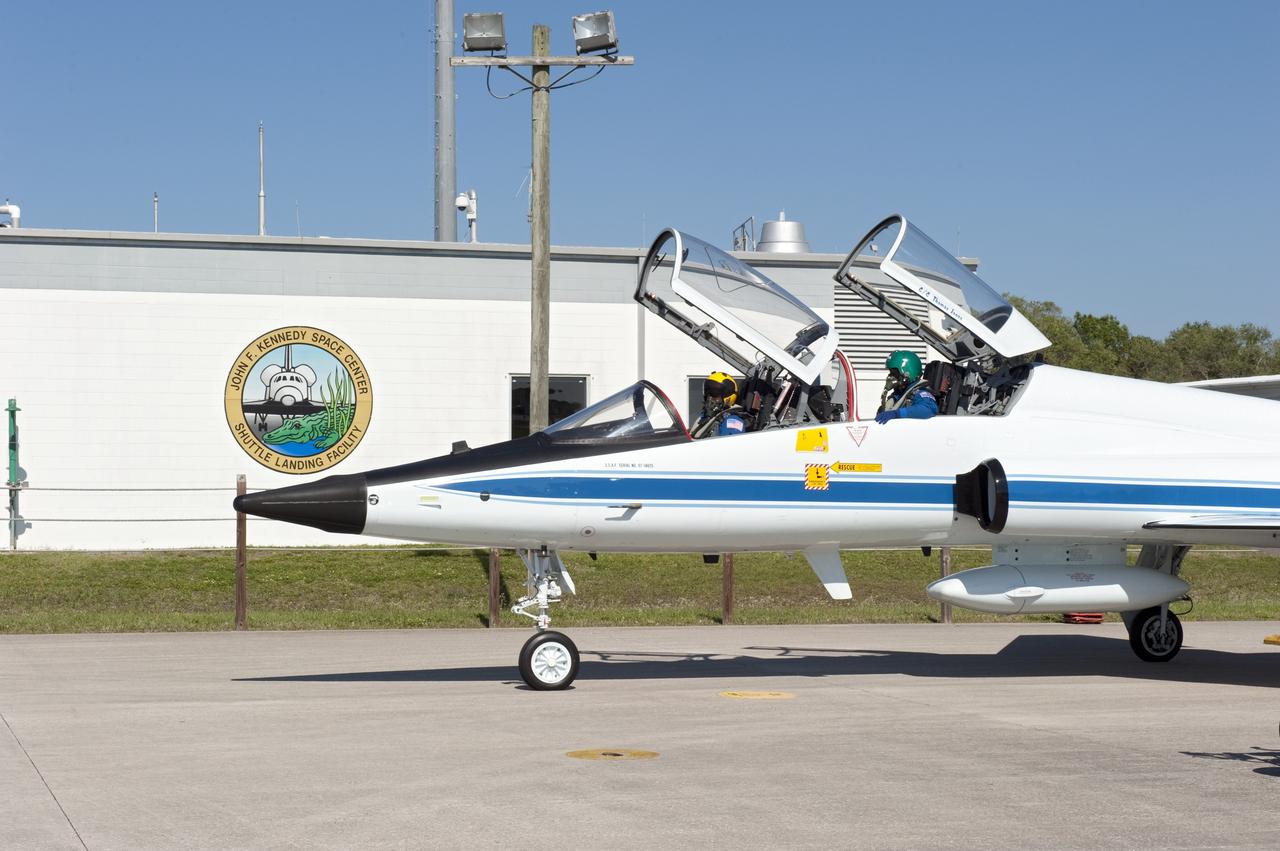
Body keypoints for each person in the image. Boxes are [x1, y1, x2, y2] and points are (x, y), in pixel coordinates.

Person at [874, 350, 938, 424]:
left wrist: (897, 414)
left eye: (894, 373)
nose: (890, 377)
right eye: (890, 373)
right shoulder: (898, 395)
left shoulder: (919, 393)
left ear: (908, 373)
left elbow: (928, 409)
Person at [692, 371, 746, 438]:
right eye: (708, 393)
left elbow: (731, 446)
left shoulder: (732, 422)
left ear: (728, 396)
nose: (710, 398)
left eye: (714, 393)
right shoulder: (706, 417)